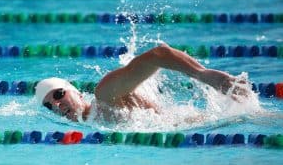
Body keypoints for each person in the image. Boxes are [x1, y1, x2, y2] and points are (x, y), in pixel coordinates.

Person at [35, 43, 248, 122]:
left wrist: (203, 75)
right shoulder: (91, 122)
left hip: (203, 123)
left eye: (58, 94)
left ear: (77, 92)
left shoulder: (105, 95)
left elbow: (158, 54)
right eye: (48, 105)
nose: (56, 104)